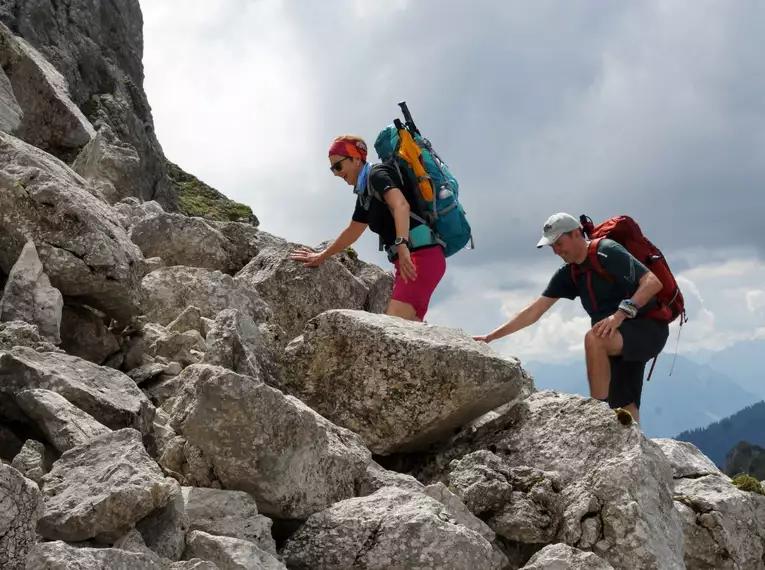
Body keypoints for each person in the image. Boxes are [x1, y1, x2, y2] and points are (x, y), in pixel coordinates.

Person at [474, 212, 669, 423]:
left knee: (594, 339)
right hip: (615, 334)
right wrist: (491, 336)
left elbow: (652, 282)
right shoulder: (570, 273)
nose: (556, 251)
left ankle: (597, 415)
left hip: (648, 327)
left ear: (576, 233)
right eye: (552, 247)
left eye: (559, 243)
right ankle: (631, 448)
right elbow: (534, 311)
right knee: (624, 404)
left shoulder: (607, 251)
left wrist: (619, 315)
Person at [289, 134, 446, 322]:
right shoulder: (365, 194)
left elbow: (401, 206)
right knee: (409, 335)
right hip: (418, 260)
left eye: (338, 166)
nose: (336, 173)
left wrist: (402, 246)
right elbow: (352, 232)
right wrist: (321, 256)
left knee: (394, 330)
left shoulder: (377, 175)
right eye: (333, 169)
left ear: (356, 159)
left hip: (418, 258)